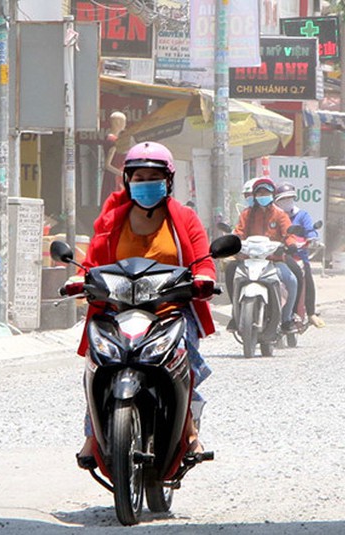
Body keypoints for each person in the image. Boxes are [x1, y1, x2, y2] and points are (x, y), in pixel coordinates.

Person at [70, 141, 216, 467]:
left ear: (168, 181)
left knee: (186, 358)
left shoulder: (185, 219)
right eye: (139, 177)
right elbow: (92, 262)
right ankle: (93, 436)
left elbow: (203, 259)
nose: (145, 183)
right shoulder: (111, 221)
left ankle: (189, 432)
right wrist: (80, 280)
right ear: (127, 181)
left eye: (154, 177)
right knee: (96, 364)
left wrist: (205, 277)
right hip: (117, 310)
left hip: (168, 310)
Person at [228, 177, 301, 334]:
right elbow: (239, 232)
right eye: (259, 192)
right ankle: (235, 315)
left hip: (273, 260)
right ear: (254, 195)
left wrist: (291, 244)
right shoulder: (246, 214)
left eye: (266, 192)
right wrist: (233, 242)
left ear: (272, 195)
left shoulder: (280, 215)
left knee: (292, 280)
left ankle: (287, 319)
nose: (262, 195)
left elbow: (288, 233)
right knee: (230, 272)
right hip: (249, 260)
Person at [274, 183, 325, 328]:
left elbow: (310, 231)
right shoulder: (274, 215)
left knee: (305, 276)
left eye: (290, 198)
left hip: (298, 254)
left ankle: (309, 312)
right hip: (277, 254)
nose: (287, 202)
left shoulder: (302, 215)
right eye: (283, 199)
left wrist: (311, 238)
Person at [99, 111, 127, 204]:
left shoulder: (111, 139)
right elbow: (108, 164)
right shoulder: (113, 141)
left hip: (115, 176)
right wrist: (121, 173)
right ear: (117, 122)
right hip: (114, 178)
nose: (125, 124)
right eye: (124, 121)